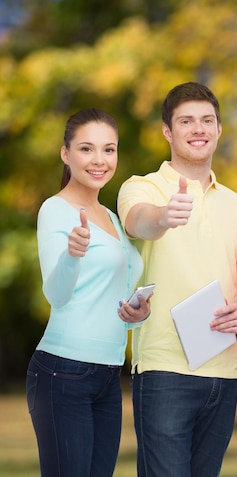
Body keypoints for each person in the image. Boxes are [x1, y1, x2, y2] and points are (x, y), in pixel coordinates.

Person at [117, 82, 237, 477]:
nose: (198, 129)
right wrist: (163, 216)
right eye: (186, 121)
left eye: (207, 120)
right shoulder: (142, 187)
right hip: (164, 372)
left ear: (219, 129)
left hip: (224, 373)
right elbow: (139, 220)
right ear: (167, 131)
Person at [26, 109, 151, 477]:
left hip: (108, 375)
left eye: (109, 149)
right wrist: (71, 255)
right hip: (62, 373)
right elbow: (58, 294)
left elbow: (105, 299)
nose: (99, 160)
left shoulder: (111, 217)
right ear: (66, 154)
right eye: (87, 148)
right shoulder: (55, 209)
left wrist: (135, 314)